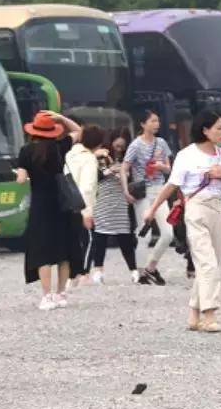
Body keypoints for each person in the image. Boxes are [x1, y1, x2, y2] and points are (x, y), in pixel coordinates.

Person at [142, 111, 221, 333]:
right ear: (205, 130)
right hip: (196, 209)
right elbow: (172, 185)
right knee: (207, 264)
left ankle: (193, 314)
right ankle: (210, 315)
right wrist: (153, 208)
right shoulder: (187, 155)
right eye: (219, 128)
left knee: (211, 264)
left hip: (219, 209)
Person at [15, 111, 85, 310]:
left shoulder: (26, 151)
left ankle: (47, 297)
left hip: (40, 206)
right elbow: (78, 130)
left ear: (33, 131)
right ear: (52, 131)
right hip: (62, 204)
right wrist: (61, 118)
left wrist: (26, 175)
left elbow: (21, 179)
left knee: (42, 251)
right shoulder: (60, 147)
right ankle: (61, 294)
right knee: (63, 249)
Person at [121, 111, 173, 285]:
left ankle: (151, 266)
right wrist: (125, 190)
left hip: (159, 189)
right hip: (142, 191)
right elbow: (124, 167)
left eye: (157, 120)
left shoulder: (162, 143)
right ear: (143, 124)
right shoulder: (135, 145)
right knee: (145, 232)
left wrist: (161, 167)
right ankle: (141, 272)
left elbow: (168, 168)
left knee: (168, 233)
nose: (156, 124)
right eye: (152, 121)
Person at [91, 129, 139, 284]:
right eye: (117, 145)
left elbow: (135, 177)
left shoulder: (129, 159)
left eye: (122, 147)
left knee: (125, 235)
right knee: (100, 236)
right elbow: (91, 176)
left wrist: (125, 174)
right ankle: (98, 270)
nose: (119, 149)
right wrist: (109, 171)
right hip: (103, 198)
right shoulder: (101, 155)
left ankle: (133, 269)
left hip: (121, 200)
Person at [65, 124, 102, 287]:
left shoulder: (69, 154)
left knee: (72, 240)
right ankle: (83, 273)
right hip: (80, 205)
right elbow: (87, 187)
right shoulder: (89, 159)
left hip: (65, 203)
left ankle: (70, 275)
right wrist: (87, 212)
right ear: (98, 144)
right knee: (89, 238)